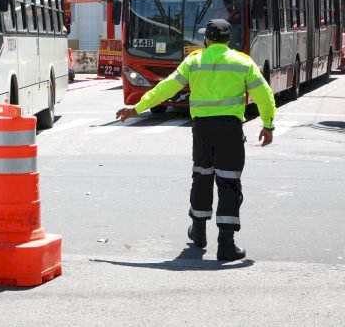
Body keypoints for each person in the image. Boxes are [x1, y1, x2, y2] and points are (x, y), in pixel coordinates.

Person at [115, 19, 276, 262]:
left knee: (202, 178)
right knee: (229, 182)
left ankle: (199, 232)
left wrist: (137, 108)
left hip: (202, 131)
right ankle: (226, 244)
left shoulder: (194, 61)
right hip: (230, 131)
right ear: (228, 39)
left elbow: (166, 88)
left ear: (207, 39)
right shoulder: (243, 62)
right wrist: (268, 125)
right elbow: (264, 95)